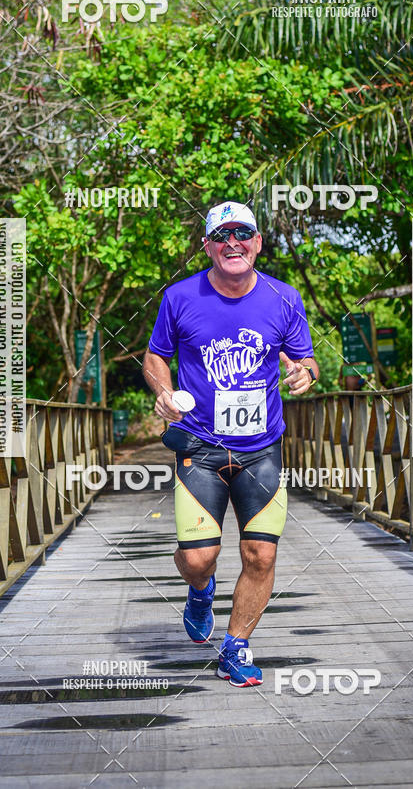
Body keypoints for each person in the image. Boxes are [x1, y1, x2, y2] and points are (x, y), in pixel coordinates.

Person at [143, 201, 318, 688]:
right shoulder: (180, 298)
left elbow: (303, 358)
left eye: (243, 233)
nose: (233, 243)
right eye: (221, 236)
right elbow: (155, 357)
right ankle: (200, 592)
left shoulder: (284, 298)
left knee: (260, 554)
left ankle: (236, 647)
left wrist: (303, 372)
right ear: (207, 247)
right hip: (199, 444)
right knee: (199, 558)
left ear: (259, 242)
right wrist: (162, 392)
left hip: (261, 448)